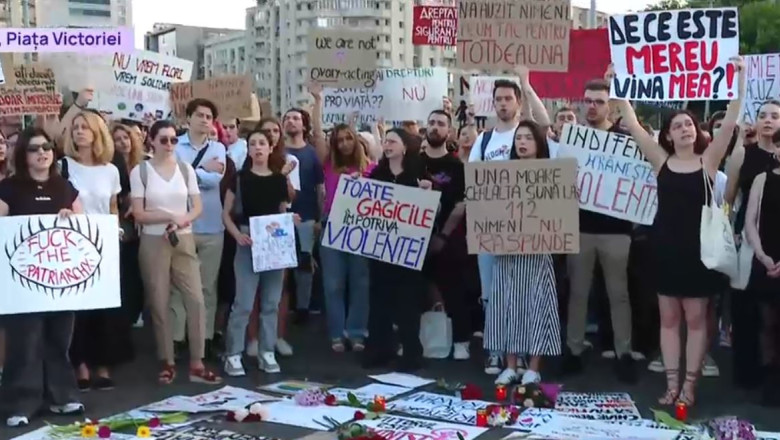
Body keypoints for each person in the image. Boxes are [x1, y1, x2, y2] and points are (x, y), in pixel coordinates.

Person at [611, 57, 745, 406]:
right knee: (669, 319)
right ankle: (671, 386)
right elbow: (633, 124)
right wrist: (618, 86)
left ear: (697, 131)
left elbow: (730, 122)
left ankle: (690, 386)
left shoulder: (710, 161)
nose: (685, 129)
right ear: (668, 135)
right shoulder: (661, 161)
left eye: (690, 124)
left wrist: (740, 79)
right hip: (665, 249)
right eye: (678, 126)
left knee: (697, 319)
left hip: (699, 251)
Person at [0, 128, 85, 427]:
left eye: (47, 147)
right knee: (25, 341)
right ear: (23, 155)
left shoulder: (65, 187)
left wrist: (72, 220)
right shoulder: (8, 188)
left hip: (60, 281)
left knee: (58, 339)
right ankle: (20, 403)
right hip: (22, 282)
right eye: (34, 148)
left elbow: (83, 227)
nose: (42, 153)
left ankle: (62, 397)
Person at [468, 65, 549, 376]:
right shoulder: (485, 141)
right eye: (498, 99)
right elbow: (473, 178)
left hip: (529, 228)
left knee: (527, 293)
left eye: (508, 98)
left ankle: (527, 352)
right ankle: (495, 351)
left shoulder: (530, 135)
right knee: (493, 291)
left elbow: (546, 124)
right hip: (493, 227)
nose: (502, 104)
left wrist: (527, 84)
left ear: (518, 102)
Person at [131, 120, 222, 385]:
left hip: (182, 238)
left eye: (173, 139)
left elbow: (196, 206)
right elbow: (138, 212)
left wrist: (182, 220)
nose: (169, 145)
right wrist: (168, 214)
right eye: (164, 140)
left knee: (196, 299)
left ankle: (197, 362)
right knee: (159, 303)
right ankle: (167, 361)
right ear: (152, 141)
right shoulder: (142, 171)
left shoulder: (185, 170)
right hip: (154, 240)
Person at [562, 79, 637, 384]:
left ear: (611, 105)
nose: (592, 106)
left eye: (599, 101)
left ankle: (624, 353)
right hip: (579, 228)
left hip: (616, 230)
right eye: (588, 101)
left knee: (618, 294)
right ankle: (574, 350)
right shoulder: (573, 138)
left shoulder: (624, 139)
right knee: (578, 293)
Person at [487, 120, 562, 385]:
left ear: (538, 143)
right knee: (507, 304)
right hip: (508, 252)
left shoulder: (553, 173)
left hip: (538, 252)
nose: (522, 142)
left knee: (537, 306)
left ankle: (533, 366)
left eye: (528, 138)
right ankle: (510, 364)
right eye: (518, 138)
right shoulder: (501, 174)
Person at [59, 111, 124, 391]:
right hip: (73, 245)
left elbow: (112, 207)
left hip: (104, 244)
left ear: (97, 133)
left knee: (104, 308)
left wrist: (117, 230)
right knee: (78, 310)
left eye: (85, 127)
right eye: (75, 127)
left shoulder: (110, 170)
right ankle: (80, 366)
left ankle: (104, 365)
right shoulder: (63, 166)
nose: (79, 132)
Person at [362, 128, 432, 372]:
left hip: (407, 251)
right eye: (385, 141)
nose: (387, 145)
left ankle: (411, 352)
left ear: (404, 147)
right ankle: (379, 349)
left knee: (407, 305)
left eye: (393, 141)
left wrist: (426, 192)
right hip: (380, 250)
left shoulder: (416, 175)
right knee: (378, 301)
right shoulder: (376, 174)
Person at [222, 129, 291, 375]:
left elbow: (282, 211)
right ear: (248, 149)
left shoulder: (278, 179)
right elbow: (226, 214)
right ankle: (233, 353)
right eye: (253, 144)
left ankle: (267, 350)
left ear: (271, 148)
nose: (258, 148)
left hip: (273, 244)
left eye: (263, 143)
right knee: (243, 302)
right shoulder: (240, 178)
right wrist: (237, 235)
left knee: (271, 301)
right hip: (248, 240)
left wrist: (289, 221)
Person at [725, 100, 780, 389]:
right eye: (763, 115)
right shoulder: (742, 155)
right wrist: (729, 231)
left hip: (776, 243)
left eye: (775, 116)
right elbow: (728, 198)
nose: (768, 120)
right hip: (746, 240)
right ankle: (745, 374)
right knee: (745, 309)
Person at [172, 99, 227, 361]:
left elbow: (215, 178)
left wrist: (191, 173)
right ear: (189, 118)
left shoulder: (218, 147)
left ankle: (203, 338)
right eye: (200, 115)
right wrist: (202, 170)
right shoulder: (175, 145)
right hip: (182, 224)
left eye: (209, 116)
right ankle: (176, 337)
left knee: (207, 286)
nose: (205, 120)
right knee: (178, 285)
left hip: (212, 226)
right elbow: (173, 177)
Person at [422, 110, 473, 360]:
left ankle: (462, 340)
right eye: (431, 122)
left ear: (449, 131)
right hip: (416, 240)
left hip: (447, 239)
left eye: (440, 124)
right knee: (415, 290)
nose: (435, 127)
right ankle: (419, 339)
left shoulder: (456, 166)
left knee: (454, 289)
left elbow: (460, 205)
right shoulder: (413, 161)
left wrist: (441, 236)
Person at [319, 123, 373, 352]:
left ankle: (357, 331)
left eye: (348, 139)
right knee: (333, 284)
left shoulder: (371, 168)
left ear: (357, 141)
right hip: (332, 224)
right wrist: (317, 101)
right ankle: (337, 333)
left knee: (360, 282)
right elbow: (316, 136)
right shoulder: (329, 166)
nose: (344, 144)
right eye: (339, 140)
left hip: (361, 228)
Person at [744, 127, 780, 407]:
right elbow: (750, 221)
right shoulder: (761, 179)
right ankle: (770, 379)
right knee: (766, 324)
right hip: (766, 259)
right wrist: (761, 254)